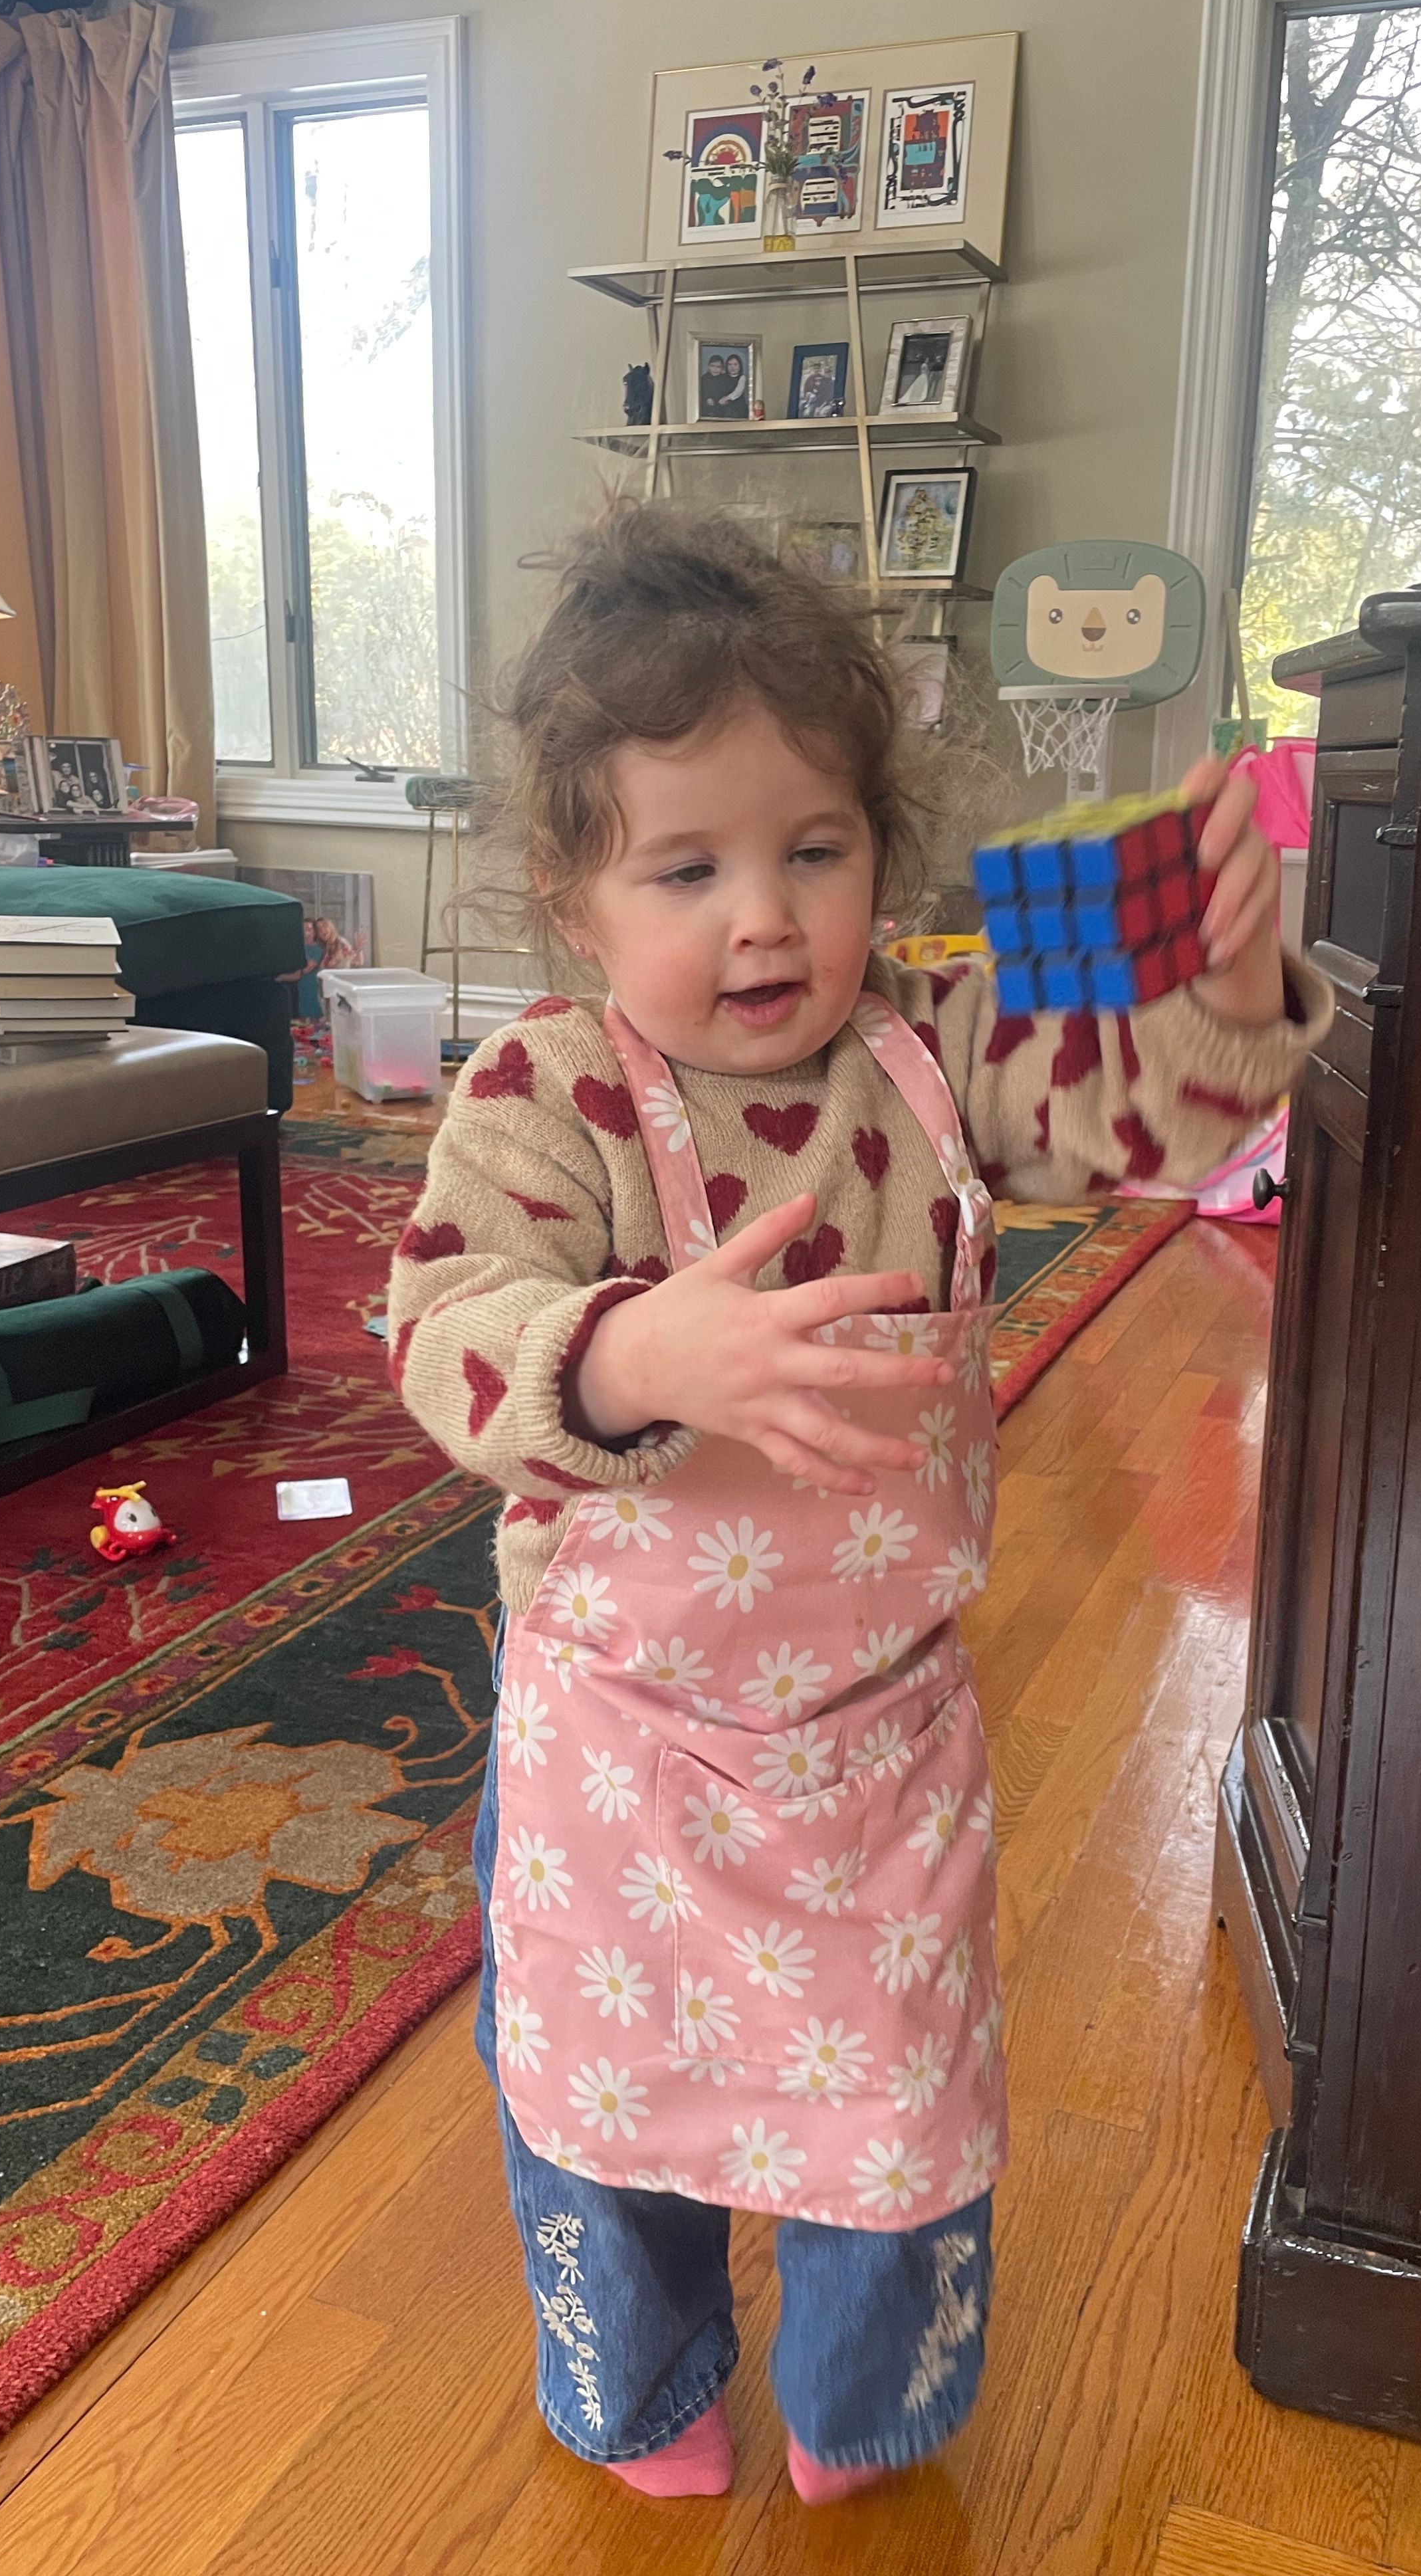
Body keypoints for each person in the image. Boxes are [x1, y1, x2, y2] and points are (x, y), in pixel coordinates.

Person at [388, 504, 1329, 2506]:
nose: (764, 921)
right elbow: (449, 1329)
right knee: (598, 2110)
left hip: (876, 1734)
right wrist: (639, 1360)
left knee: (899, 2113)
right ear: (575, 895)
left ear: (880, 862)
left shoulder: (929, 1046)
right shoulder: (542, 1092)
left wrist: (1225, 977)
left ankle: (869, 2401)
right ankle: (637, 2387)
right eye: (689, 866)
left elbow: (1143, 1116)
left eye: (815, 852)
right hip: (621, 1754)